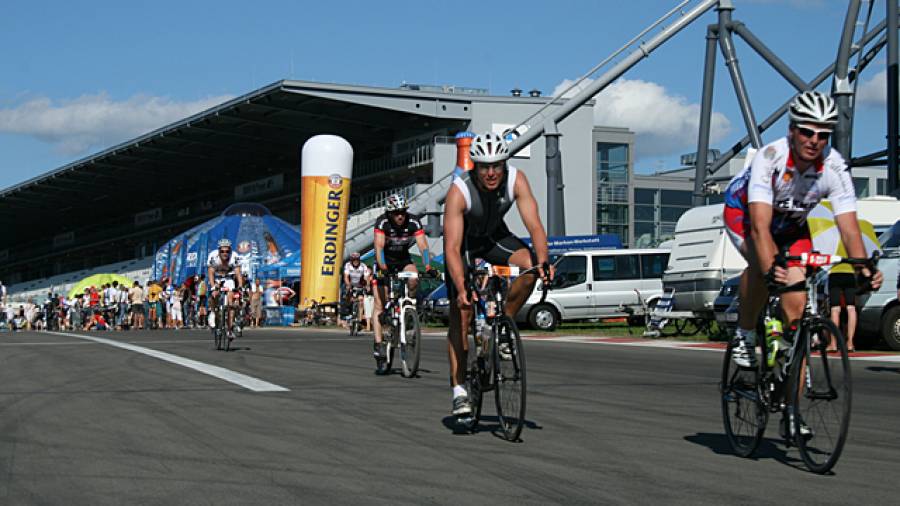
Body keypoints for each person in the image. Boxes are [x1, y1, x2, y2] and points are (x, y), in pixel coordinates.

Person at [724, 90, 882, 371]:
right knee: (763, 268)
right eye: (807, 132)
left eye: (823, 135)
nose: (814, 141)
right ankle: (745, 332)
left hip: (791, 223)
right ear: (792, 130)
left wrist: (862, 267)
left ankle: (790, 393)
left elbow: (849, 227)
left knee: (796, 301)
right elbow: (760, 229)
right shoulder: (770, 156)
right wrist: (770, 265)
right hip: (747, 214)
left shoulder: (834, 166)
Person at [442, 131, 553, 416]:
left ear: (505, 164)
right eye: (484, 167)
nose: (491, 173)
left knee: (529, 266)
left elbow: (536, 227)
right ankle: (459, 390)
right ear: (474, 166)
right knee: (462, 316)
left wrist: (543, 261)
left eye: (497, 166)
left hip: (493, 238)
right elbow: (452, 248)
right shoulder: (460, 190)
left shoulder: (517, 179)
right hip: (464, 245)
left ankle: (503, 325)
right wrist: (461, 287)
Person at [371, 193, 434, 375]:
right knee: (380, 304)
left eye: (403, 212)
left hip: (403, 260)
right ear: (390, 213)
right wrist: (383, 268)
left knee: (414, 278)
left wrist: (428, 265)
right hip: (384, 262)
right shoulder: (382, 222)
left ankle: (409, 310)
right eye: (397, 213)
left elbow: (423, 245)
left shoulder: (413, 222)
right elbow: (379, 248)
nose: (400, 216)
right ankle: (378, 344)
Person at [207, 238, 244, 340]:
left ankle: (229, 329)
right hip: (217, 278)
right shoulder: (213, 256)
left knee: (231, 302)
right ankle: (213, 312)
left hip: (229, 278)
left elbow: (238, 273)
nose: (225, 253)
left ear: (230, 251)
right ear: (218, 251)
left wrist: (240, 286)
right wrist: (214, 287)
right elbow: (210, 273)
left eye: (227, 251)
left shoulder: (234, 257)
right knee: (214, 295)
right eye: (222, 251)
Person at [828, 265, 859, 352]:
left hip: (834, 273)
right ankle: (850, 342)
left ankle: (833, 343)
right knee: (851, 307)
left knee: (835, 309)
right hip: (849, 273)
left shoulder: (833, 250)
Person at [343, 251, 371, 330]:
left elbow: (366, 278)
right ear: (351, 260)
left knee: (361, 300)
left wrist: (367, 285)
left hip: (360, 285)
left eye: (357, 260)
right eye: (354, 260)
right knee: (349, 298)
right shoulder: (348, 265)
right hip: (351, 283)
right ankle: (348, 315)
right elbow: (346, 277)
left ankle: (358, 320)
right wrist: (348, 285)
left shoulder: (363, 266)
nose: (355, 261)